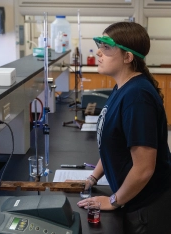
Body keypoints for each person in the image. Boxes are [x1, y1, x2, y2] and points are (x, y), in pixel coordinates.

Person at [77, 22, 171, 234]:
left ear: (128, 57)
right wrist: (93, 177)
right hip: (132, 198)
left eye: (107, 48)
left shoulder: (137, 97)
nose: (99, 53)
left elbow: (144, 168)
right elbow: (113, 144)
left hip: (146, 208)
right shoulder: (122, 87)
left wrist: (113, 201)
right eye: (100, 46)